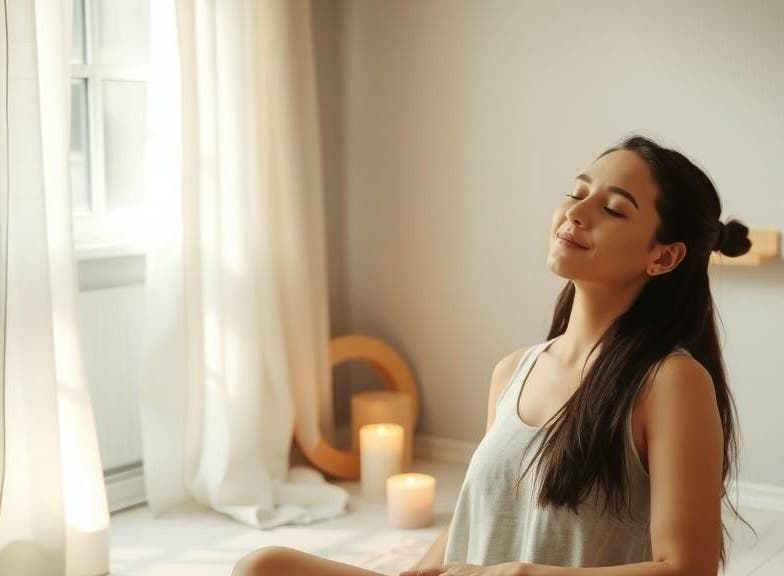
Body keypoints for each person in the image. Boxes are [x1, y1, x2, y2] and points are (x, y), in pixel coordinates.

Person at [232, 135, 753, 576]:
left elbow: (687, 568)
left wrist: (525, 575)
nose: (575, 212)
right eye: (576, 193)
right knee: (264, 566)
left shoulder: (671, 382)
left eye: (612, 208)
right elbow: (474, 525)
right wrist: (422, 571)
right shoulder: (512, 372)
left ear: (663, 256)